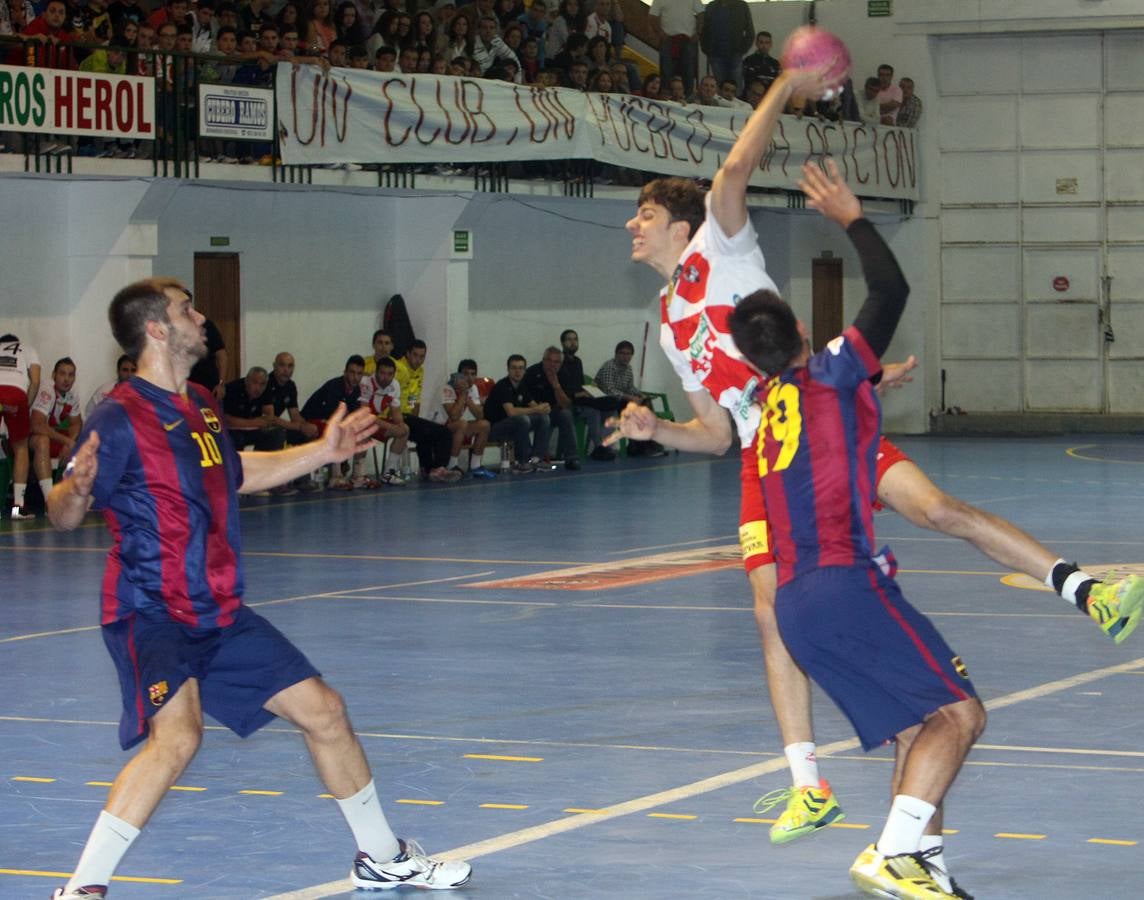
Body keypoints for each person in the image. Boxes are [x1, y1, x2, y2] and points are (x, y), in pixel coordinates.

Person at [608, 62, 1144, 884]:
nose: (631, 228)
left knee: (939, 511)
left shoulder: (720, 239)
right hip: (772, 451)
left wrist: (788, 80)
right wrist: (654, 430)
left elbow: (735, 167)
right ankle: (818, 789)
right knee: (775, 613)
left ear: (680, 224)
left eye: (643, 214)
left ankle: (1084, 589)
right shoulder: (670, 326)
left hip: (817, 415)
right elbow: (713, 436)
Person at [45, 277, 471, 899]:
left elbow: (238, 472)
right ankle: (82, 889)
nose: (200, 316)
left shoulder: (198, 403)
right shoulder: (119, 416)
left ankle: (383, 857)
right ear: (157, 330)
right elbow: (61, 514)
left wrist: (321, 452)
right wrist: (74, 490)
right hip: (152, 611)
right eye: (187, 308)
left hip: (218, 610)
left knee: (325, 711)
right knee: (179, 736)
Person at [728, 158, 984, 900]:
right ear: (804, 330)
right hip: (845, 581)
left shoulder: (763, 410)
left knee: (917, 728)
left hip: (795, 606)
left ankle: (924, 866)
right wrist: (850, 215)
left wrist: (872, 385)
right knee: (961, 715)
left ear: (752, 359)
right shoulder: (830, 371)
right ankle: (893, 851)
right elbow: (891, 289)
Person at [394, 340, 460, 482]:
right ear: (407, 353)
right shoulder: (398, 368)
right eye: (415, 355)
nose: (418, 360)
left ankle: (427, 469)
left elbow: (413, 398)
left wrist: (416, 422)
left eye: (422, 356)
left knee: (425, 432)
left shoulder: (419, 371)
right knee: (444, 432)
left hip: (407, 415)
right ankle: (439, 468)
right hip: (396, 415)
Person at [428, 359, 497, 479]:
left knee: (484, 425)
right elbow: (453, 416)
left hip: (452, 426)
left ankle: (475, 466)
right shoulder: (447, 388)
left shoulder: (473, 388)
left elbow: (480, 416)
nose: (469, 378)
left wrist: (468, 398)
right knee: (462, 424)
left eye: (473, 374)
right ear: (459, 375)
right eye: (465, 374)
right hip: (437, 428)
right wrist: (464, 394)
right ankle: (451, 465)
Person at [29, 356, 83, 509]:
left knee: (87, 441)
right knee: (42, 441)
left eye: (71, 375)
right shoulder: (47, 389)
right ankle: (49, 500)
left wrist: (70, 443)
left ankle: (76, 498)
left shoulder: (72, 395)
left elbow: (77, 423)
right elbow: (37, 425)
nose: (66, 379)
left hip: (52, 438)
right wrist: (66, 441)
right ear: (54, 375)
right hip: (26, 439)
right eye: (62, 374)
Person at [0, 332, 41, 519]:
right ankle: (18, 507)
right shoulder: (28, 348)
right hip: (16, 395)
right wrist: (26, 404)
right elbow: (35, 380)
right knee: (21, 448)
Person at [485, 353, 549, 473]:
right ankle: (522, 461)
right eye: (514, 368)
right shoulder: (502, 386)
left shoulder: (522, 386)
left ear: (525, 370)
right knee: (522, 419)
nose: (517, 371)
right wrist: (537, 409)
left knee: (543, 418)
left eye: (520, 368)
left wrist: (544, 408)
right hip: (495, 429)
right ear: (508, 370)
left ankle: (536, 459)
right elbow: (511, 412)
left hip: (515, 427)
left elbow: (536, 407)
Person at [524, 346, 580, 470]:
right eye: (549, 361)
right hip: (533, 411)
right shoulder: (532, 373)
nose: (552, 365)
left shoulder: (564, 374)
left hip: (552, 411)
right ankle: (535, 458)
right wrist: (537, 408)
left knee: (566, 414)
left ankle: (572, 457)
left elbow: (566, 404)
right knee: (543, 418)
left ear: (560, 363)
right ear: (543, 360)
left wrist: (556, 386)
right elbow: (524, 397)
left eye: (556, 362)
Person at [357, 354, 409, 486]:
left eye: (390, 374)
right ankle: (358, 475)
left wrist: (400, 425)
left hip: (376, 424)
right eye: (382, 373)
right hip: (359, 423)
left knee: (405, 430)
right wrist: (390, 427)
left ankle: (388, 473)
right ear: (376, 372)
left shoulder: (395, 385)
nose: (386, 377)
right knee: (364, 433)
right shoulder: (366, 382)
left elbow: (397, 415)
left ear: (394, 374)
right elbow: (364, 415)